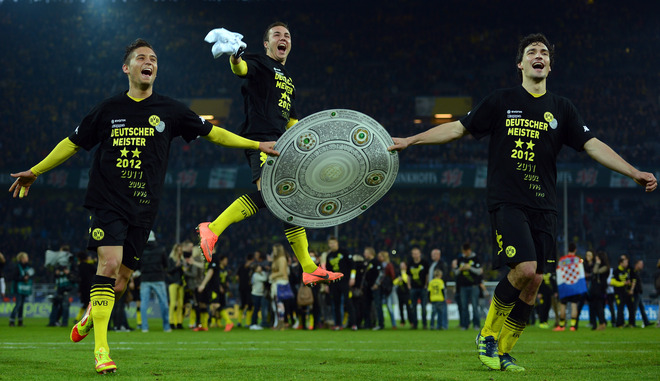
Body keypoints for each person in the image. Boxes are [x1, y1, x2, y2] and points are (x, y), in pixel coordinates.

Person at [388, 33, 657, 372]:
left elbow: (592, 144)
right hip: (508, 201)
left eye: (544, 52)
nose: (539, 55)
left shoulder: (562, 109)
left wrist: (633, 171)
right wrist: (411, 140)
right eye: (532, 51)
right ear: (521, 64)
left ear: (549, 65)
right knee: (525, 269)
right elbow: (457, 128)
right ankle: (486, 335)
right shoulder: (501, 101)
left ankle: (503, 351)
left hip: (545, 206)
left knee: (535, 282)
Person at [8, 38, 278, 374]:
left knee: (120, 282)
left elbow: (215, 134)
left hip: (145, 207)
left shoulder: (171, 110)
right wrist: (35, 171)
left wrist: (257, 144)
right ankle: (102, 350)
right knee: (108, 264)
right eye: (140, 58)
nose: (148, 62)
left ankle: (93, 314)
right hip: (107, 201)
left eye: (153, 58)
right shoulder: (107, 109)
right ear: (127, 68)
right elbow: (72, 144)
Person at [196, 22, 342, 287]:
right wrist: (236, 56)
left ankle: (308, 267)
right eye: (277, 35)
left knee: (289, 204)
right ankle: (213, 228)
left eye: (287, 35)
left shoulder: (288, 81)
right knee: (272, 196)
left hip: (280, 145)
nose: (283, 38)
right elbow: (241, 70)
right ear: (266, 44)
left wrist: (311, 145)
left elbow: (292, 122)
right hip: (259, 139)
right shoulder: (261, 62)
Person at [139, 231, 170, 333]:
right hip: (158, 278)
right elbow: (166, 264)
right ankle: (166, 327)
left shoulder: (141, 250)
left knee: (144, 304)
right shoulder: (161, 249)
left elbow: (137, 266)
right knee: (164, 303)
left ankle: (144, 327)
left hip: (145, 279)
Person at [553, 243, 586, 331]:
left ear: (568, 249)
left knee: (563, 305)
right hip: (575, 286)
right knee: (574, 305)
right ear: (575, 250)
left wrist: (559, 286)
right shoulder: (578, 260)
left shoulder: (562, 260)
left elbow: (559, 273)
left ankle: (561, 326)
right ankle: (572, 326)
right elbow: (581, 273)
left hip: (565, 286)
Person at [325, 236, 356, 330]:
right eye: (330, 243)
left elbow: (353, 265)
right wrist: (327, 284)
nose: (332, 245)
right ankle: (338, 324)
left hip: (345, 281)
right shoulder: (329, 256)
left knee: (348, 301)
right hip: (334, 283)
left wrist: (352, 278)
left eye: (333, 242)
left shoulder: (344, 252)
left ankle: (354, 324)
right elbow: (328, 272)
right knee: (336, 303)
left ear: (337, 243)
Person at [453, 243, 483, 330]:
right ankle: (465, 325)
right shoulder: (460, 259)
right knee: (464, 307)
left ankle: (476, 324)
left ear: (469, 250)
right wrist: (460, 269)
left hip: (474, 286)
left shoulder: (475, 259)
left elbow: (479, 271)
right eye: (463, 251)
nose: (464, 253)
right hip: (463, 287)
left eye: (465, 251)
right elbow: (456, 272)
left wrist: (470, 268)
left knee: (474, 306)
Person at [269, 243, 291, 330]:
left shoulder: (282, 259)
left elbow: (282, 272)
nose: (273, 251)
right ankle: (279, 322)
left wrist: (272, 276)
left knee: (280, 304)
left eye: (274, 249)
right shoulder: (276, 259)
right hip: (277, 282)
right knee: (277, 304)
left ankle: (281, 323)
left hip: (281, 282)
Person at [407, 247, 429, 329]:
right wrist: (409, 285)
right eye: (414, 253)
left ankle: (424, 324)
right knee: (413, 307)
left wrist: (426, 284)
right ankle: (415, 324)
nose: (415, 255)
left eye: (417, 253)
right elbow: (408, 275)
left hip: (422, 288)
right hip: (413, 288)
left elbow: (427, 275)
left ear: (420, 254)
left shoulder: (424, 263)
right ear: (412, 255)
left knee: (423, 307)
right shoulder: (410, 263)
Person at [9, 252, 34, 327]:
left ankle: (20, 321)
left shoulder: (27, 267)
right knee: (18, 304)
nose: (27, 259)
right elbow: (13, 277)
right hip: (17, 289)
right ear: (22, 258)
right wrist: (23, 278)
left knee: (22, 305)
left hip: (24, 288)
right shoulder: (17, 267)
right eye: (26, 257)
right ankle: (12, 321)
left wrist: (27, 277)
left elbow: (31, 274)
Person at [611, 255, 635, 327]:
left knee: (631, 307)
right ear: (621, 263)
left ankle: (631, 323)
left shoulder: (627, 271)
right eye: (625, 262)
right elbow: (612, 282)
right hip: (619, 293)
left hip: (627, 292)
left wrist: (630, 285)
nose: (627, 264)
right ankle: (620, 323)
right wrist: (623, 283)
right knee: (620, 308)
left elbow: (631, 280)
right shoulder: (616, 271)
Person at [589, 250, 610, 330]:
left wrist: (597, 263)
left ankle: (602, 323)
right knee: (595, 306)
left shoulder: (605, 267)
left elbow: (595, 271)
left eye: (597, 258)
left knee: (599, 306)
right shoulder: (601, 266)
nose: (596, 259)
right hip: (595, 289)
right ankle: (597, 323)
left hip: (600, 289)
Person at [167, 243, 185, 330]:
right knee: (173, 303)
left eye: (181, 250)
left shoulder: (182, 260)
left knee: (180, 304)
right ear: (175, 251)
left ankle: (179, 322)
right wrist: (176, 266)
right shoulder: (171, 259)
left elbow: (183, 273)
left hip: (180, 283)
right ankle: (171, 322)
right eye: (179, 250)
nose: (180, 252)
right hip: (173, 282)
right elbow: (168, 271)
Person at [236, 253, 256, 327]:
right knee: (250, 304)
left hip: (241, 287)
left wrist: (241, 282)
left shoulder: (241, 267)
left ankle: (239, 321)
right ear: (252, 259)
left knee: (242, 304)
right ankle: (247, 322)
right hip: (249, 288)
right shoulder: (252, 267)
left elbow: (237, 277)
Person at [631, 259, 651, 327]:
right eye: (641, 264)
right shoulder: (633, 272)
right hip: (635, 293)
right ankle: (632, 323)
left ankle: (646, 322)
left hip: (638, 293)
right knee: (634, 309)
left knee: (641, 308)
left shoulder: (637, 272)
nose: (642, 265)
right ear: (636, 264)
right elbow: (633, 282)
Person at [249, 264, 269, 330]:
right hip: (256, 294)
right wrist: (264, 273)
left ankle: (255, 323)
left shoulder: (260, 274)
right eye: (258, 267)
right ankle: (253, 324)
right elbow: (265, 278)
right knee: (256, 309)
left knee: (257, 309)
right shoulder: (255, 275)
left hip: (260, 294)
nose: (260, 268)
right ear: (255, 269)